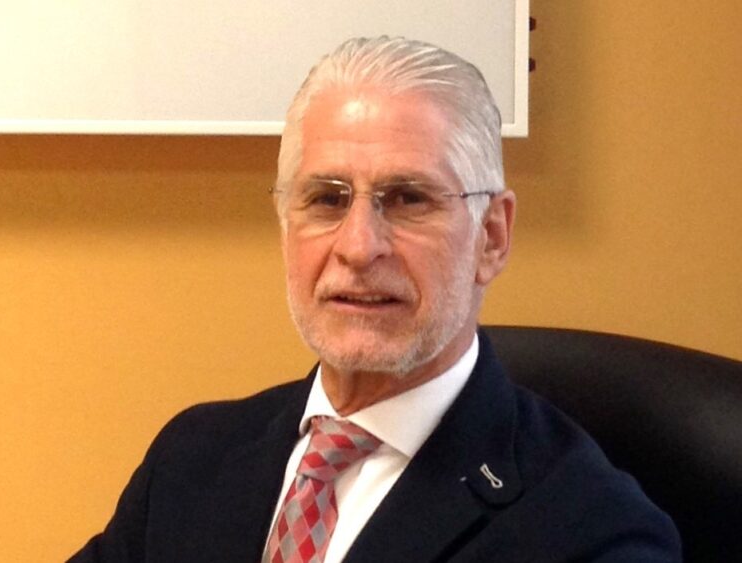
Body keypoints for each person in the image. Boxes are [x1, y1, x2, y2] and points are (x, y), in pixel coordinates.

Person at [69, 36, 680, 562]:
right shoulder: (190, 459)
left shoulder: (590, 531)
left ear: (491, 237)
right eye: (327, 199)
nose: (359, 248)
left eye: (409, 199)